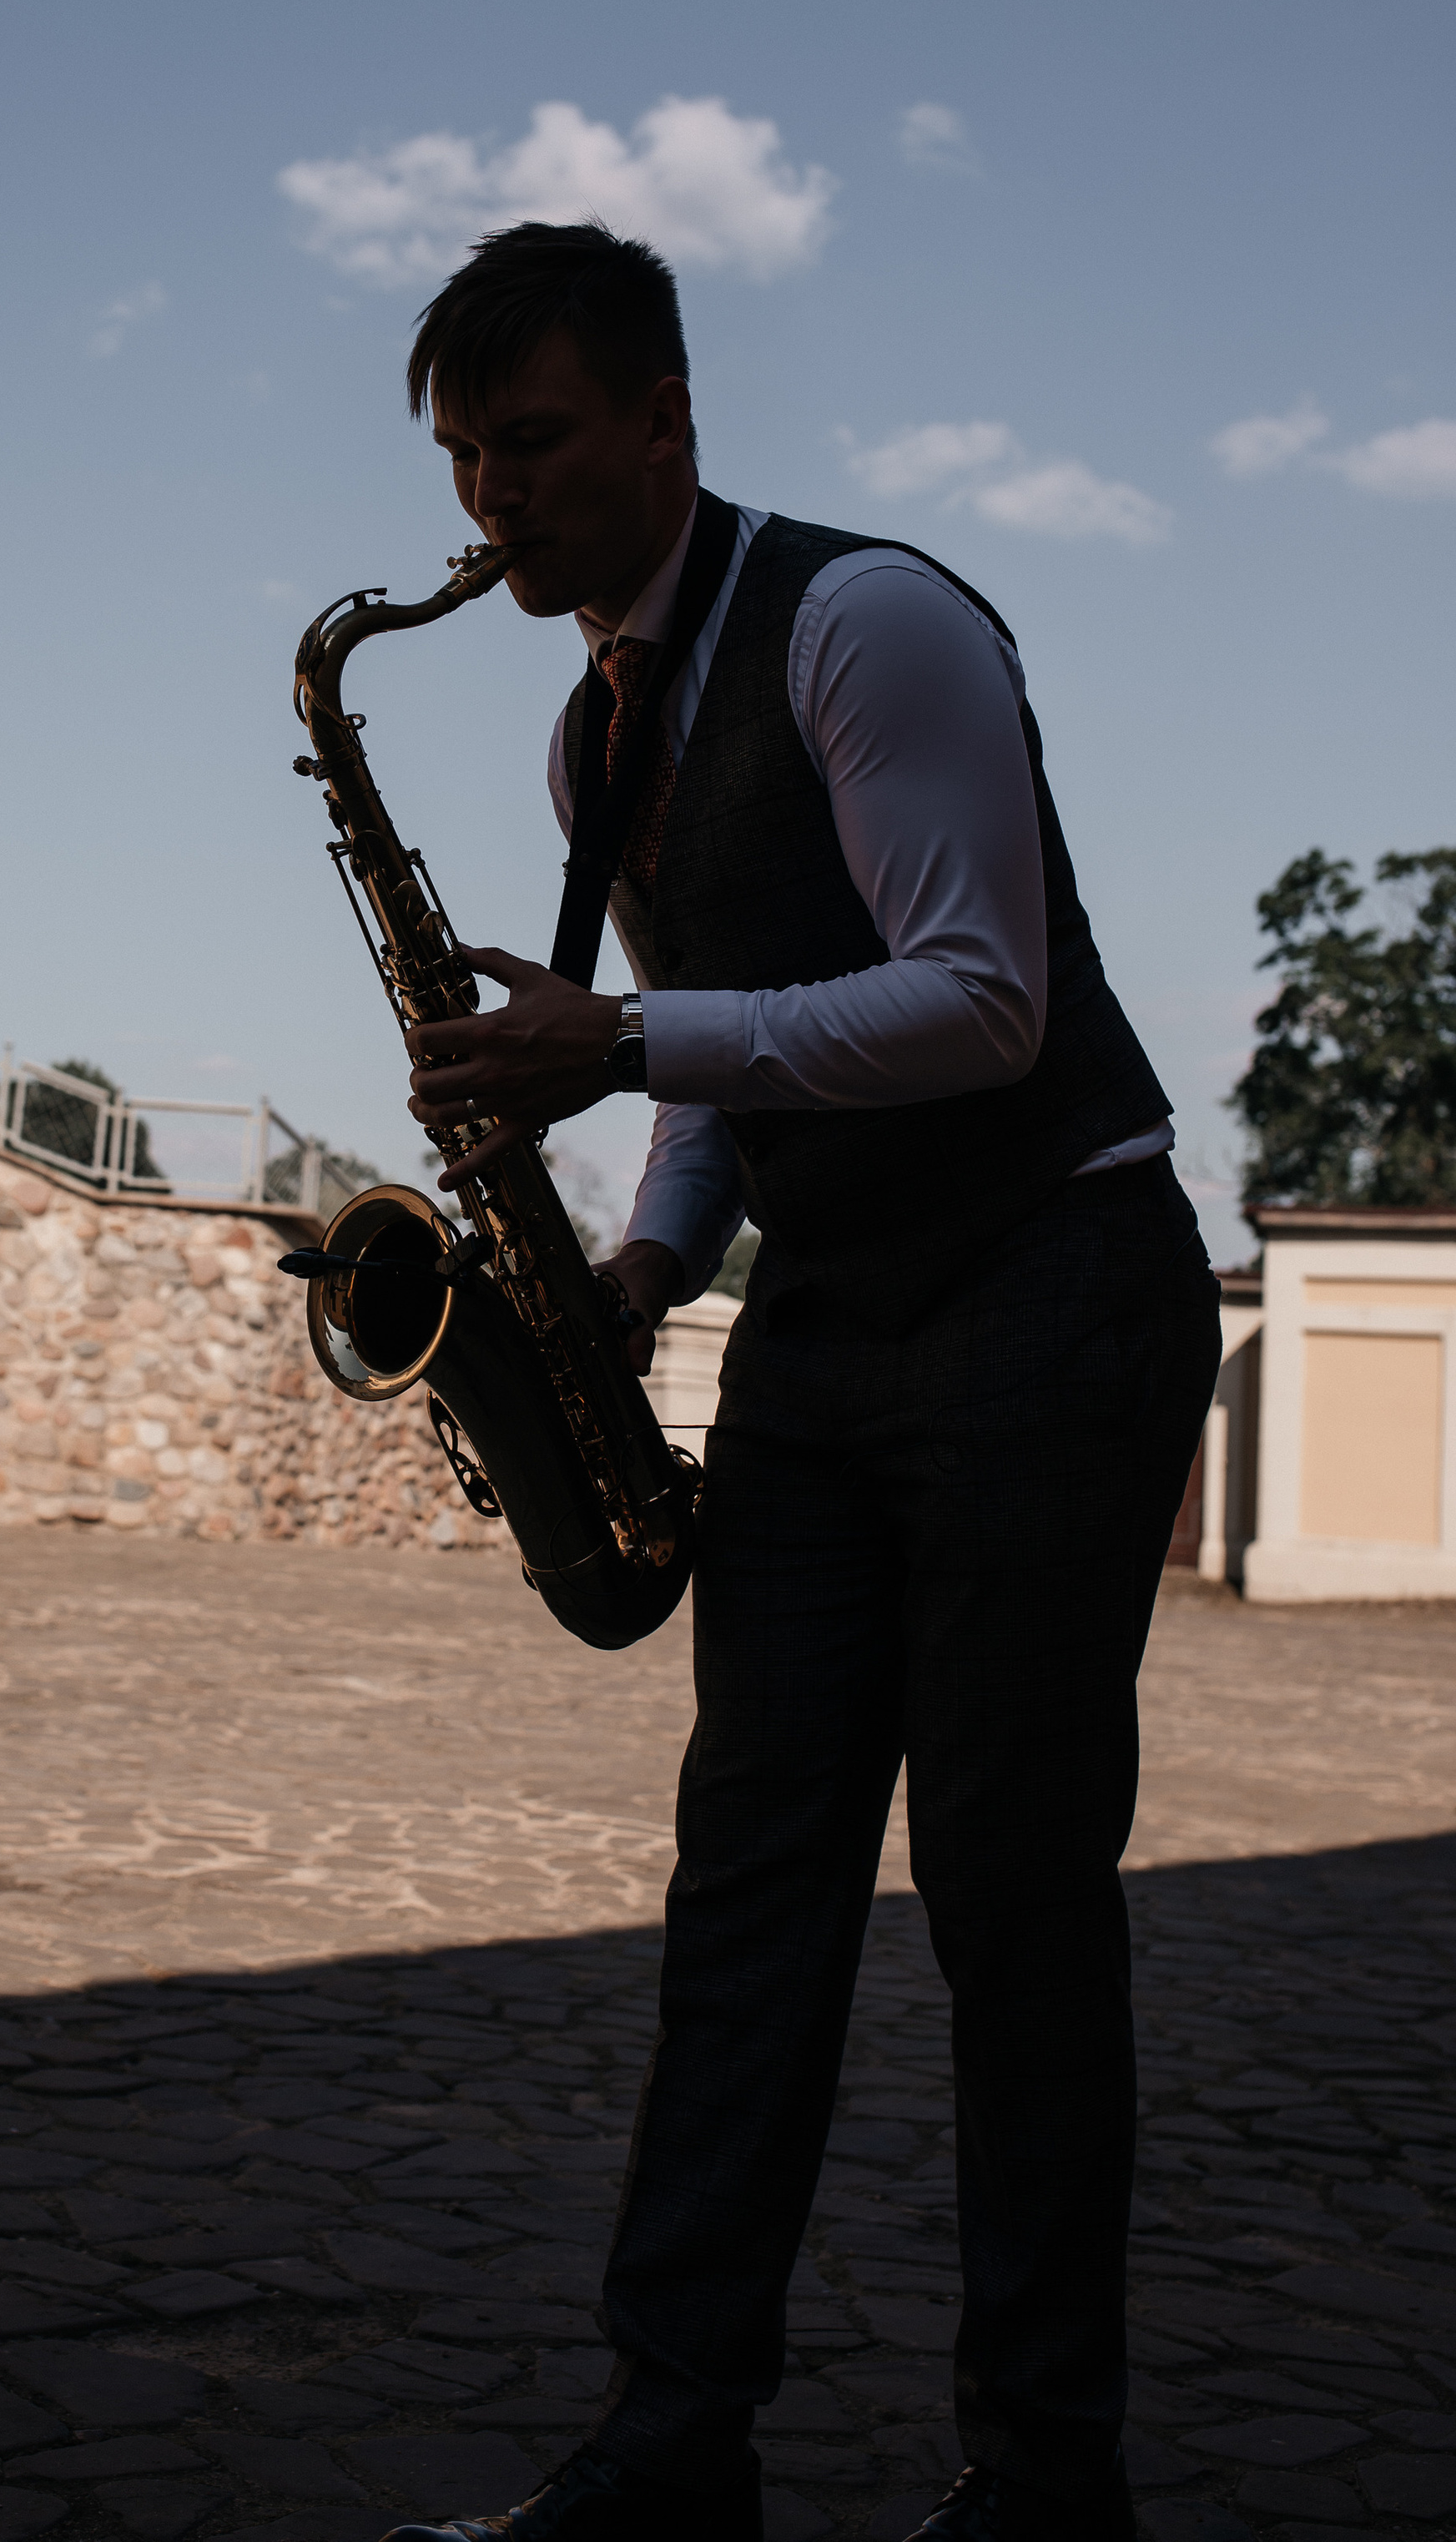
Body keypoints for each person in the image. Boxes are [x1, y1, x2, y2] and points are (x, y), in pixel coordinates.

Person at [384, 221, 1222, 2542]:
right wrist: (649, 1261)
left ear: (666, 418)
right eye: (463, 461)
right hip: (836, 1324)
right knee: (748, 1888)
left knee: (1010, 1899)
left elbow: (984, 999)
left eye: (533, 442)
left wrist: (620, 1039)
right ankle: (671, 2455)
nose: (493, 504)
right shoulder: (596, 727)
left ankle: (1044, 2485)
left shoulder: (872, 623)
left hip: (1057, 1282)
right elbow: (729, 1052)